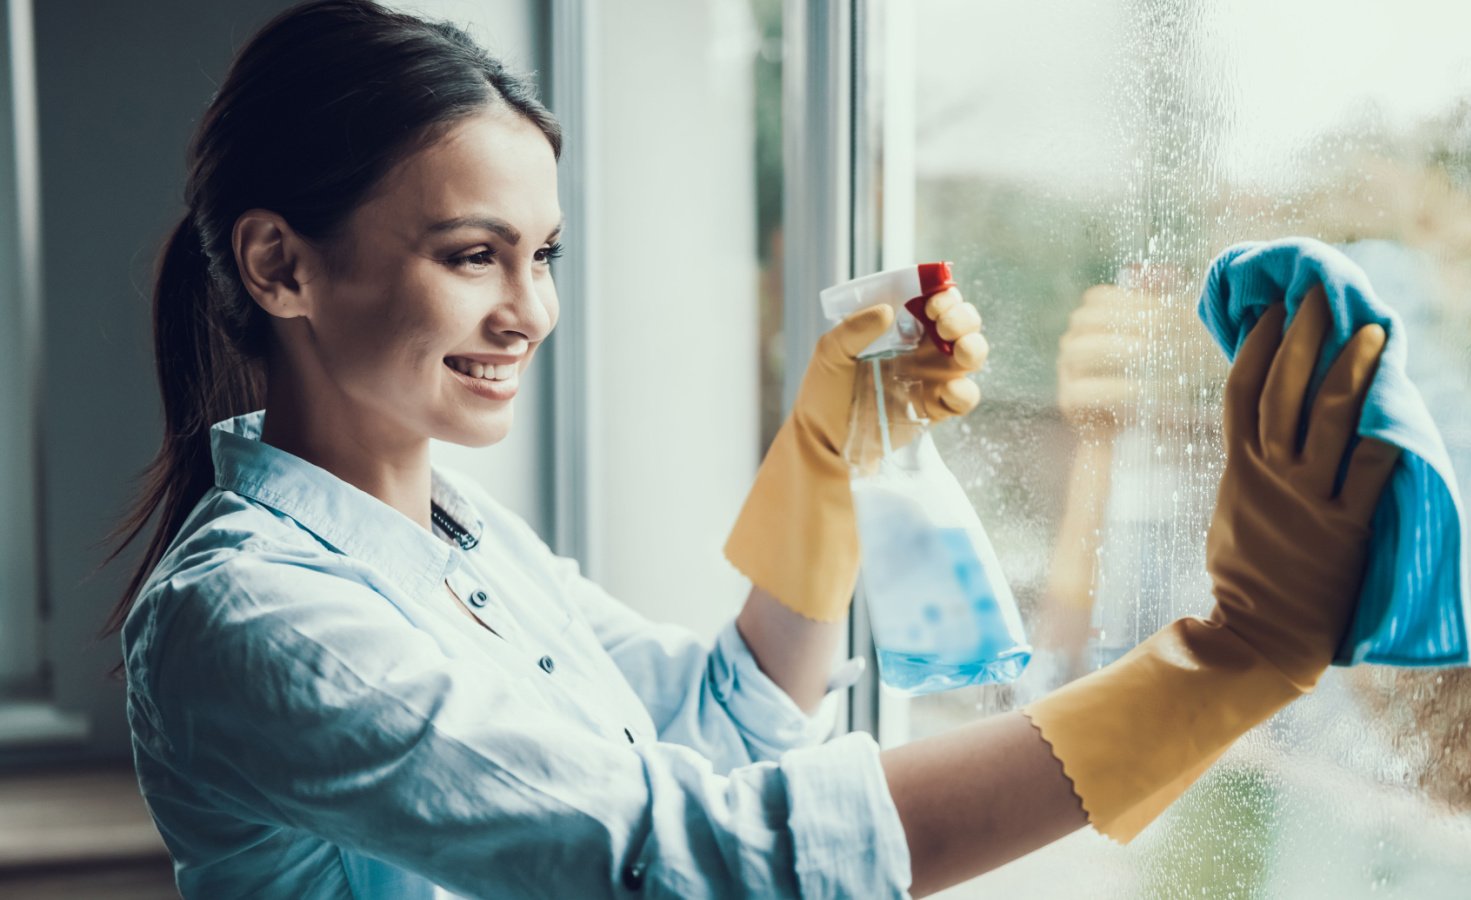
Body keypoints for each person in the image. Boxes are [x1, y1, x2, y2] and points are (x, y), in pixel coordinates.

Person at [100, 1, 1399, 897]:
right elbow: (688, 860)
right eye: (472, 255)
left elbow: (725, 721)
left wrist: (827, 456)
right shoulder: (251, 619)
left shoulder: (460, 539)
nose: (532, 310)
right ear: (282, 265)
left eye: (543, 254)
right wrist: (1222, 663)